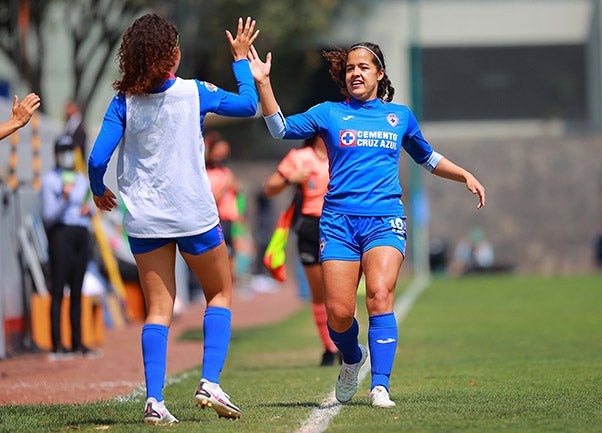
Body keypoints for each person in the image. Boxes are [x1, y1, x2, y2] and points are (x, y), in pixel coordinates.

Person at [248, 41, 486, 408]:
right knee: (340, 314)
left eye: (363, 67)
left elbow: (427, 157)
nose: (355, 73)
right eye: (349, 69)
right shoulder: (328, 113)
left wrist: (464, 174)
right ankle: (352, 359)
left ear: (380, 73)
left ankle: (380, 386)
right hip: (338, 223)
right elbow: (280, 129)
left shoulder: (400, 116)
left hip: (384, 221)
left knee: (379, 296)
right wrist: (263, 84)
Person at [87, 14, 259, 425]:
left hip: (145, 220)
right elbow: (249, 105)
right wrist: (239, 60)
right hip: (194, 214)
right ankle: (210, 382)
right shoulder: (195, 92)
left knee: (158, 309)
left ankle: (154, 401)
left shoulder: (122, 102)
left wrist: (98, 190)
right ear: (174, 55)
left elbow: (96, 159)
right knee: (219, 293)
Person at [263, 136, 339, 366]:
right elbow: (269, 188)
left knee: (338, 291)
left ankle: (346, 343)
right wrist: (291, 179)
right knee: (318, 293)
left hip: (338, 225)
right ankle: (329, 347)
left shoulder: (342, 153)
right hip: (309, 226)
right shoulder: (299, 157)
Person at [41, 134, 94, 359]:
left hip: (80, 233)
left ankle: (77, 342)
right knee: (58, 289)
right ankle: (56, 343)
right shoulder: (50, 180)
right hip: (60, 233)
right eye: (63, 151)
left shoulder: (81, 179)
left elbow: (90, 203)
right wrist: (63, 198)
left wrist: (88, 210)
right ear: (55, 155)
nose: (67, 155)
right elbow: (48, 215)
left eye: (70, 150)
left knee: (77, 288)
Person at [205, 131, 241, 280]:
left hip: (230, 219)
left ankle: (231, 284)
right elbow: (210, 200)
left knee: (232, 254)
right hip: (217, 220)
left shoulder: (226, 171)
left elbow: (237, 191)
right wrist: (226, 186)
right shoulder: (207, 174)